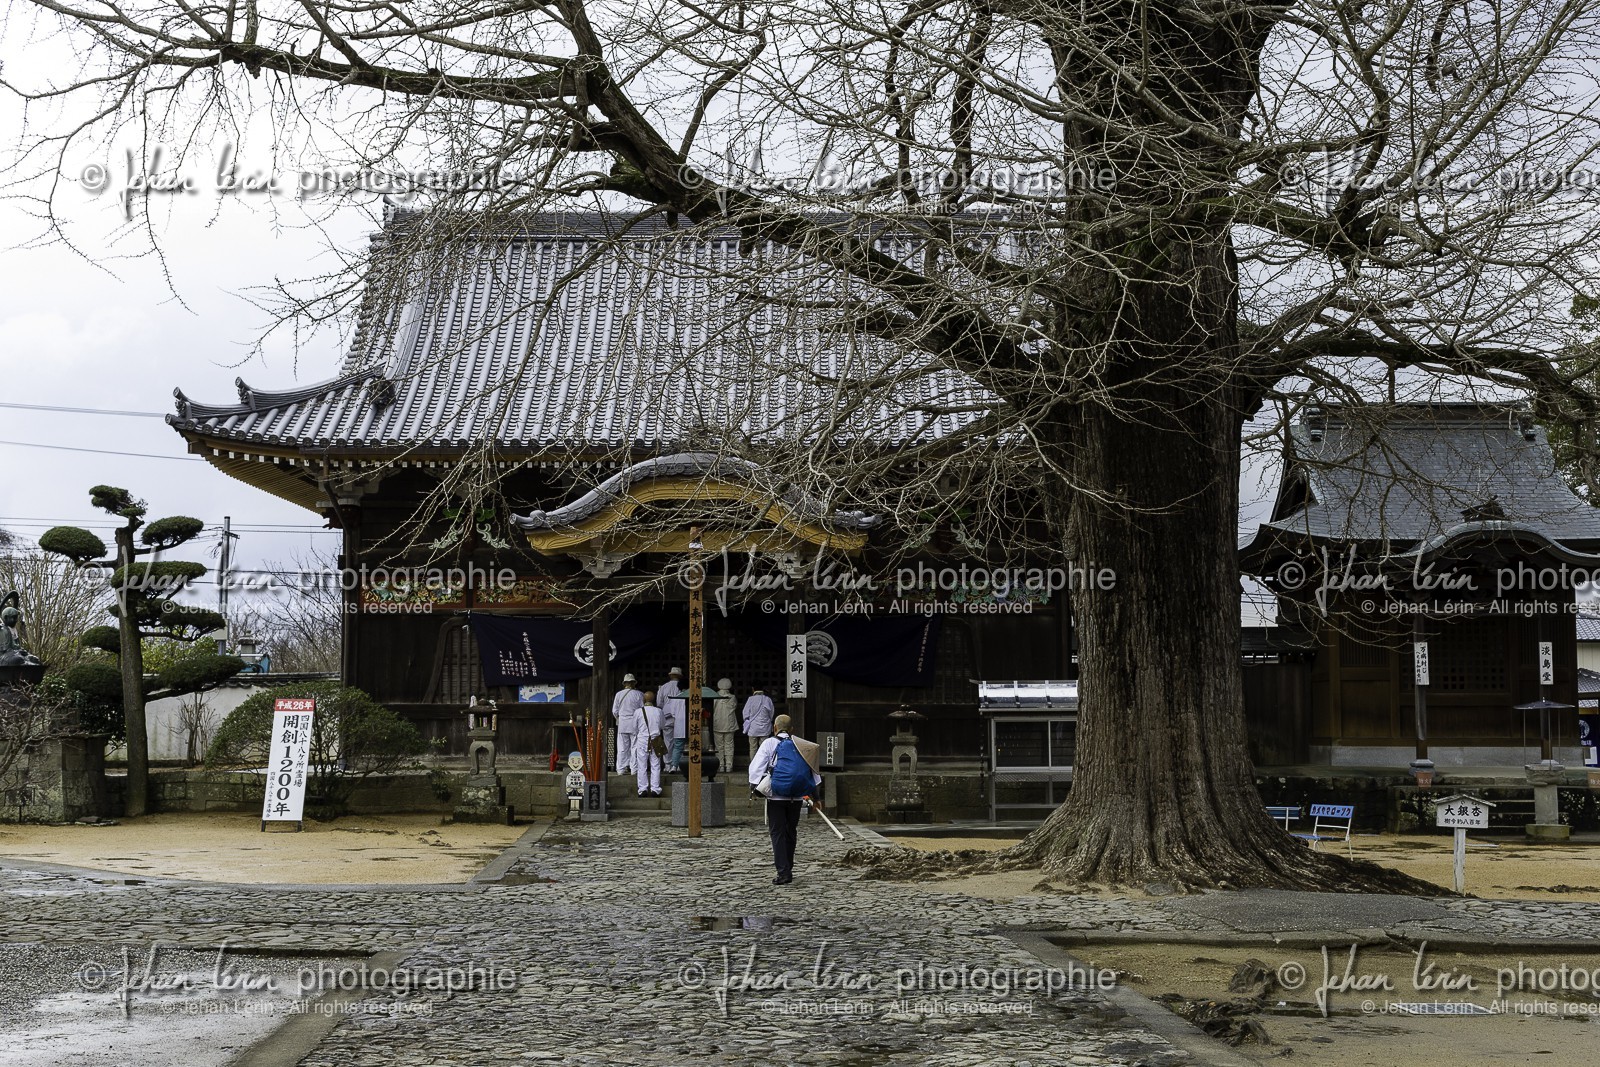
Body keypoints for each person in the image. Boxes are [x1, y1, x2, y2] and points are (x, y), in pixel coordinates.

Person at [748, 714, 823, 885]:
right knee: (791, 832)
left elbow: (755, 770)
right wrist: (816, 798)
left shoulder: (768, 743)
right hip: (796, 797)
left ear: (775, 728)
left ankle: (783, 872)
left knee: (778, 833)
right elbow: (814, 774)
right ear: (792, 730)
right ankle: (788, 866)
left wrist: (754, 789)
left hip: (776, 795)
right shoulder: (802, 745)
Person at [633, 689, 665, 797]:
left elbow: (634, 728)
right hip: (655, 740)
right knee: (655, 764)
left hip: (642, 740)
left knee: (642, 765)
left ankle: (643, 789)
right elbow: (662, 726)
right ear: (654, 700)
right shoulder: (659, 711)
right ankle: (655, 789)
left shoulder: (638, 712)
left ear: (643, 699)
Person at [611, 673, 644, 774]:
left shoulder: (618, 694)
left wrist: (619, 718)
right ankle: (634, 769)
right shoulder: (639, 694)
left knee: (622, 747)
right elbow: (642, 710)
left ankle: (621, 768)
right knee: (634, 746)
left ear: (624, 683)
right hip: (634, 722)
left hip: (623, 722)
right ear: (634, 683)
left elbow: (614, 711)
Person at [658, 667, 688, 771]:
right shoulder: (684, 690)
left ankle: (668, 764)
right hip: (681, 719)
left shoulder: (663, 687)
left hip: (667, 717)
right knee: (681, 742)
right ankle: (679, 764)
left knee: (668, 742)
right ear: (680, 676)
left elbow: (659, 703)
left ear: (670, 675)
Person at [740, 685, 775, 769]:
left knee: (753, 748)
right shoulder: (768, 699)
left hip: (753, 728)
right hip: (765, 727)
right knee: (764, 748)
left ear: (753, 689)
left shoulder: (750, 699)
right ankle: (764, 766)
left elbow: (745, 714)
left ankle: (754, 766)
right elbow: (771, 713)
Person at [711, 678, 738, 765]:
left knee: (719, 746)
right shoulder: (732, 697)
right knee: (729, 745)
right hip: (729, 724)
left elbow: (712, 709)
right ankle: (729, 765)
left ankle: (721, 765)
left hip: (718, 724)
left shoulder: (715, 696)